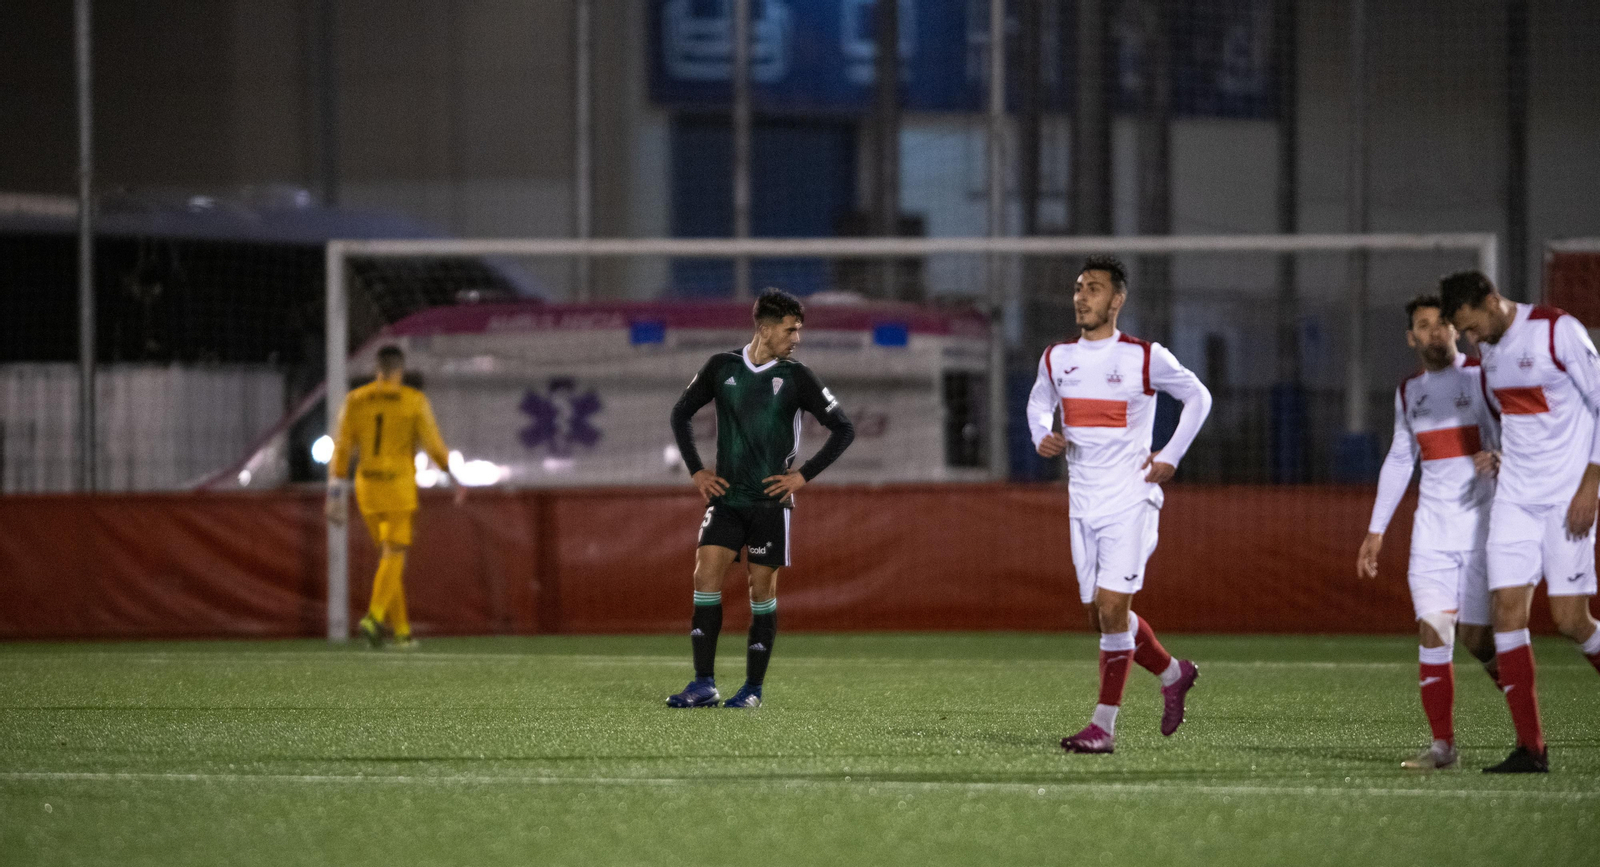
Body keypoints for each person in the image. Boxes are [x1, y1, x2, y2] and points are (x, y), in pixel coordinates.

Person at [1026, 255, 1211, 754]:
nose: (1083, 296)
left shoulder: (1144, 357)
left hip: (1131, 497)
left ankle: (1102, 727)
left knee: (1112, 609)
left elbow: (1198, 398)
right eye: (1080, 287)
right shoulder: (1056, 357)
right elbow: (1038, 402)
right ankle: (1174, 674)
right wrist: (1041, 433)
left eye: (1095, 288)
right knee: (1101, 617)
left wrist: (1171, 455)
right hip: (1080, 500)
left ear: (1118, 300)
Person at [1441, 270, 1600, 773]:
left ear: (1492, 301)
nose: (1471, 339)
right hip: (1515, 500)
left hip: (1567, 498)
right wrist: (1500, 455)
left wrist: (1591, 483)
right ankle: (1532, 749)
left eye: (1471, 326)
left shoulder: (1558, 330)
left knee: (1573, 622)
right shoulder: (1491, 351)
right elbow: (1518, 420)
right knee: (1506, 614)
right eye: (1464, 333)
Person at [665, 288, 855, 709]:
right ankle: (703, 683)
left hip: (770, 503)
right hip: (728, 498)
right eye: (790, 329)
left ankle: (752, 689)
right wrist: (697, 470)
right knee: (704, 575)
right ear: (764, 329)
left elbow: (844, 428)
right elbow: (681, 412)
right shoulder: (722, 366)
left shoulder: (797, 377)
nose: (797, 338)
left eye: (799, 330)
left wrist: (802, 476)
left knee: (761, 587)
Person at [1358, 294, 1502, 770]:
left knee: (1479, 640)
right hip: (1432, 534)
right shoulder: (1409, 392)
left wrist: (1501, 457)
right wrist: (1376, 530)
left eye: (1443, 323)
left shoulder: (1483, 379)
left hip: (1481, 530)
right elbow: (1401, 459)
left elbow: (1519, 434)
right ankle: (1443, 747)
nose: (1435, 332)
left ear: (1456, 330)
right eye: (1424, 325)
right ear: (1411, 337)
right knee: (1433, 629)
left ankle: (1525, 715)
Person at [326, 344, 465, 650]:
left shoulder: (355, 400)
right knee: (394, 555)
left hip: (367, 488)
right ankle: (374, 617)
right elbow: (433, 444)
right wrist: (454, 477)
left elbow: (342, 448)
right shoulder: (413, 400)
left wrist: (335, 492)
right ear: (400, 369)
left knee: (390, 559)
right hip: (398, 486)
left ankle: (402, 632)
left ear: (378, 368)